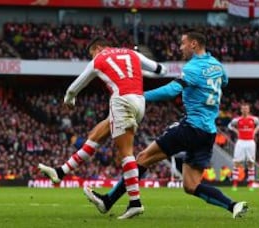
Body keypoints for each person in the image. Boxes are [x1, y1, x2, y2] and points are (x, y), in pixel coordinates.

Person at [83, 30, 248, 219]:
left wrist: (140, 96)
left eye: (183, 44)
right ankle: (233, 205)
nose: (180, 48)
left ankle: (108, 201)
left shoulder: (193, 67)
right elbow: (224, 82)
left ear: (193, 44)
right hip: (208, 133)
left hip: (191, 127)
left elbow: (172, 90)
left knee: (143, 158)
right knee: (191, 185)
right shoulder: (218, 66)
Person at [38, 36, 167, 219]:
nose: (92, 57)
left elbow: (75, 86)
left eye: (92, 53)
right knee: (97, 133)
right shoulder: (132, 53)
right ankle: (61, 171)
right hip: (140, 101)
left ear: (98, 48)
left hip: (121, 100)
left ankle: (135, 202)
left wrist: (69, 99)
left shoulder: (99, 58)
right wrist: (143, 73)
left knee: (126, 153)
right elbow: (161, 70)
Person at [228, 103, 259, 191]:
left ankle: (250, 184)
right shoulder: (237, 119)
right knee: (236, 162)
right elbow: (230, 126)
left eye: (246, 109)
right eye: (243, 109)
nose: (245, 110)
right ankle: (235, 184)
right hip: (241, 142)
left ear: (249, 110)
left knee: (251, 162)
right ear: (241, 110)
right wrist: (236, 131)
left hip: (250, 142)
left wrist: (255, 131)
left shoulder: (254, 119)